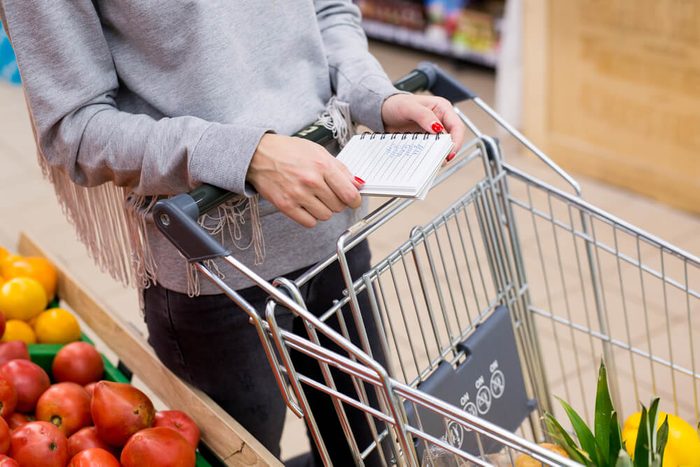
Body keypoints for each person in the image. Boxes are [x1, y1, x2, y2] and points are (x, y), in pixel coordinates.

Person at [1, 1, 466, 464]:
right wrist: (246, 154)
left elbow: (328, 10)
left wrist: (376, 96)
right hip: (215, 272)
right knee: (251, 455)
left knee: (369, 448)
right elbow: (74, 127)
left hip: (335, 230)